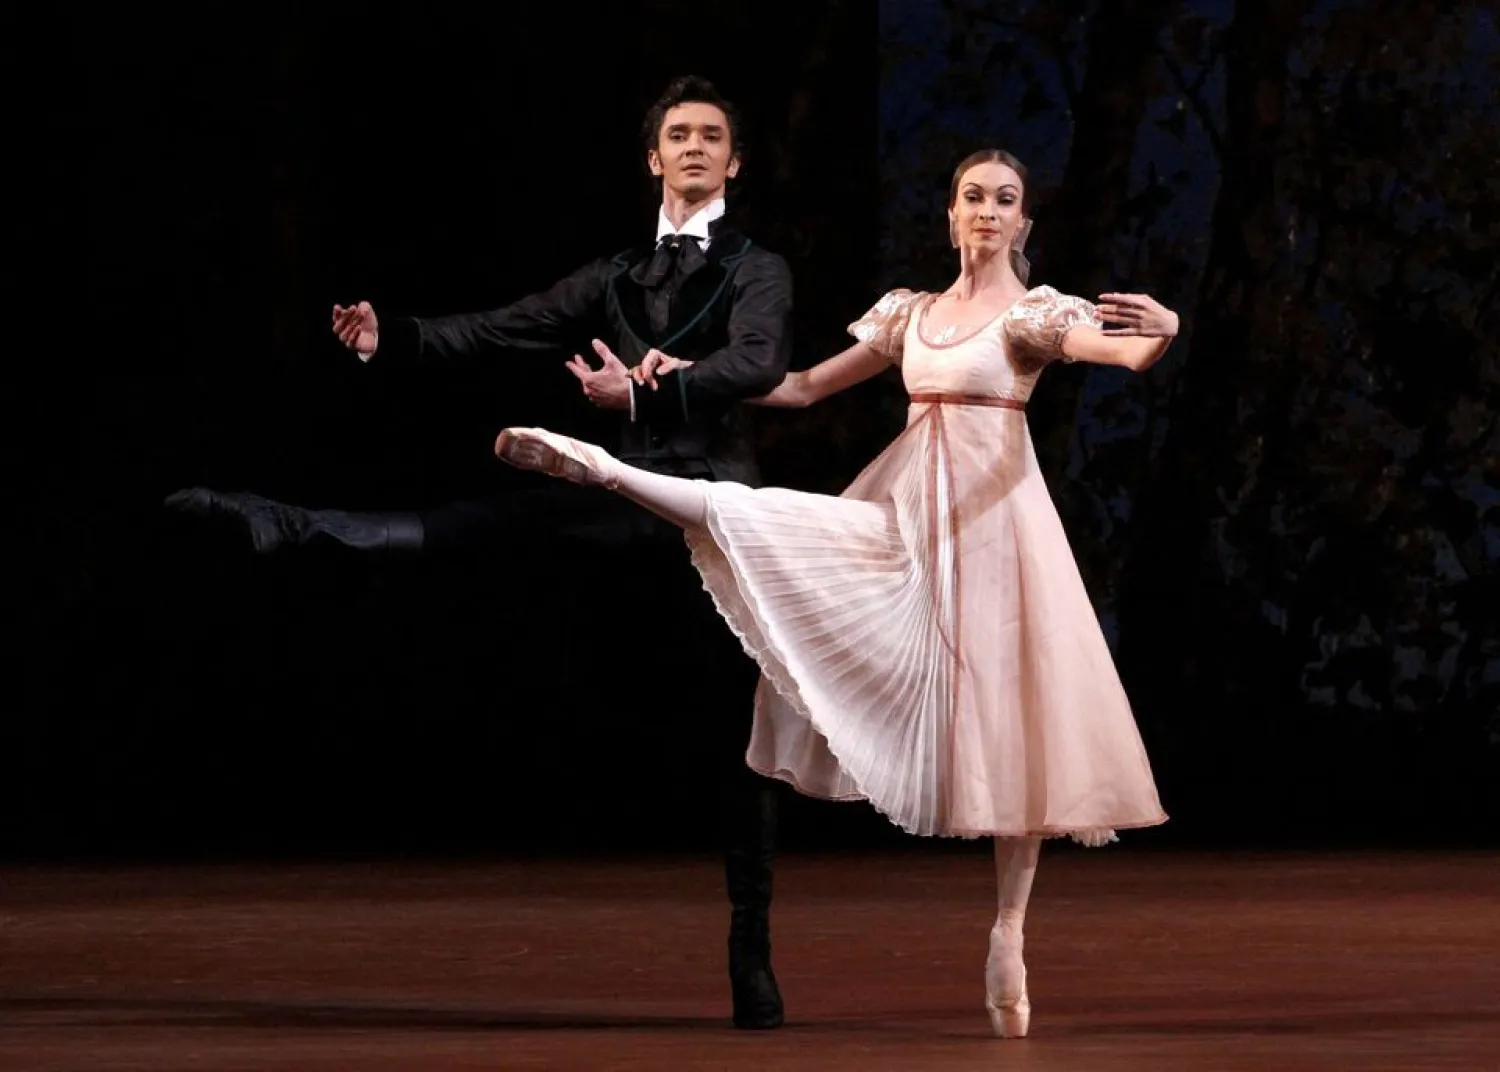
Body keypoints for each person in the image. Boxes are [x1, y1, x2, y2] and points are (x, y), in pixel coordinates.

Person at [490, 148, 1175, 1038]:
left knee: (1015, 721)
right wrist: (660, 389)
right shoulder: (912, 314)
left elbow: (1118, 354)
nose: (988, 212)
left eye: (1006, 200)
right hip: (908, 510)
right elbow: (804, 386)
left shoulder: (1030, 317)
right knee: (773, 526)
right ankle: (609, 468)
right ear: (951, 212)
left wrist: (1161, 327)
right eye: (973, 196)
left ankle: (1008, 927)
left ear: (1024, 223)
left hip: (998, 528)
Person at [166, 75, 794, 1030]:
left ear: (734, 162)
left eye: (714, 135)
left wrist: (654, 392)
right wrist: (394, 338)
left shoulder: (757, 267)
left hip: (716, 510)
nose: (697, 147)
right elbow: (504, 324)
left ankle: (750, 944)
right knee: (484, 524)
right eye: (680, 135)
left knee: (741, 730)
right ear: (654, 157)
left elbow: (757, 363)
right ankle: (293, 522)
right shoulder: (614, 272)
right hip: (623, 493)